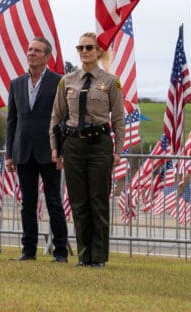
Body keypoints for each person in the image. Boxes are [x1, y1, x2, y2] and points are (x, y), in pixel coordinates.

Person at [50, 32, 125, 268]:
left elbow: (119, 119)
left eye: (89, 47)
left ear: (99, 51)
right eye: (80, 47)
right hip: (73, 145)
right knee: (79, 202)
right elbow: (57, 116)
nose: (84, 52)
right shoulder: (67, 81)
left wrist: (118, 150)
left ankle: (98, 257)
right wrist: (55, 148)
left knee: (98, 200)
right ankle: (84, 256)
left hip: (100, 144)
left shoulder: (111, 81)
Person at [5, 38, 69, 263]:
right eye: (30, 49)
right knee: (27, 204)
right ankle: (28, 250)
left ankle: (60, 251)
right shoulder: (16, 83)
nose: (31, 53)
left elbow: (63, 118)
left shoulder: (59, 82)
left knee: (54, 202)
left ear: (47, 56)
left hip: (49, 151)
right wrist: (9, 154)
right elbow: (12, 121)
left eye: (37, 51)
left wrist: (59, 150)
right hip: (23, 151)